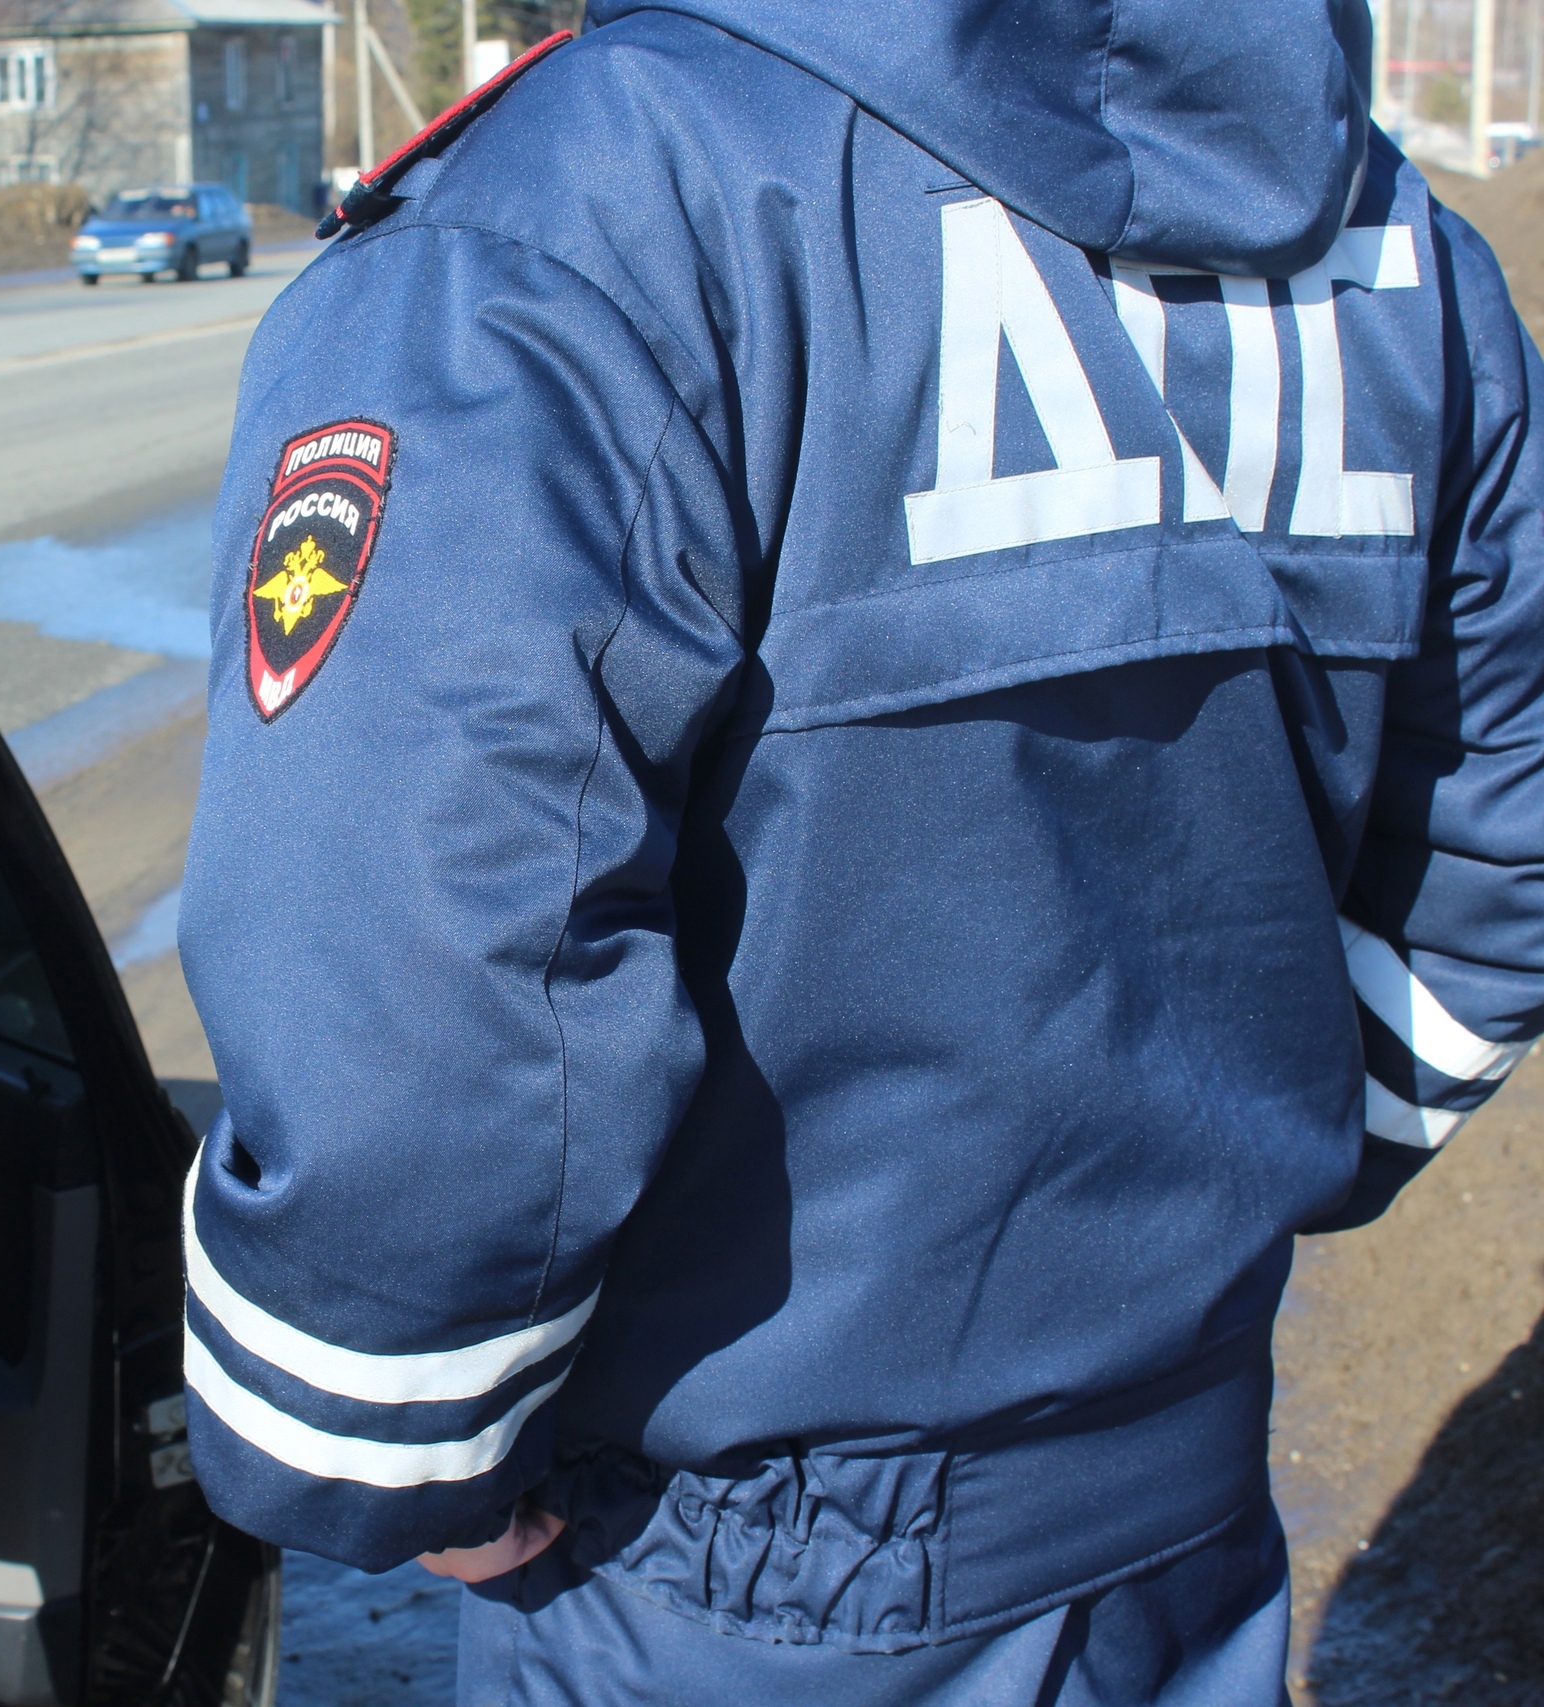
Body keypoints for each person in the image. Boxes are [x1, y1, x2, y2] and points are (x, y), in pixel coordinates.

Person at [177, 1, 1544, 1700]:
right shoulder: (1403, 256)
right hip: (1183, 1520)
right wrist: (1218, 1191)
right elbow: (1501, 854)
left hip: (713, 1571)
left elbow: (414, 962)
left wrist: (398, 1445)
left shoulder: (586, 205)